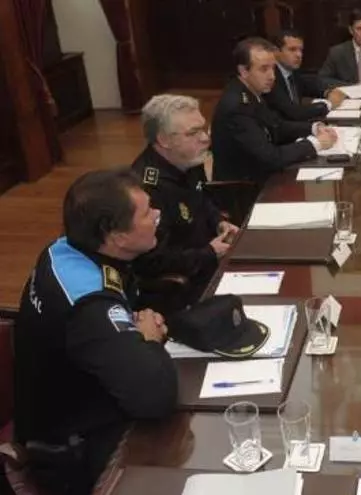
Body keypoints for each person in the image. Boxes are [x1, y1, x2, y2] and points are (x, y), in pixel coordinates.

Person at [13, 170, 178, 494]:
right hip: (73, 446)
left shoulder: (65, 249)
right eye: (147, 213)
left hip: (75, 395)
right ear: (115, 235)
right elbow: (154, 398)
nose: (158, 215)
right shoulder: (89, 304)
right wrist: (148, 339)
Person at [131, 94, 239, 315]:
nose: (205, 138)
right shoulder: (146, 190)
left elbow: (202, 199)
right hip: (187, 285)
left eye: (203, 129)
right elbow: (152, 260)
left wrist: (218, 222)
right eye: (193, 133)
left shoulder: (188, 160)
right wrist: (209, 253)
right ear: (164, 140)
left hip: (212, 259)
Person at [211, 37, 338, 183]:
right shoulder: (238, 106)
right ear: (244, 71)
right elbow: (270, 157)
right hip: (245, 187)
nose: (272, 76)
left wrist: (313, 128)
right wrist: (316, 144)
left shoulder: (251, 91)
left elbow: (276, 126)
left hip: (261, 175)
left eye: (273, 68)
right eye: (264, 69)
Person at [266, 29, 347, 121]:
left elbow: (308, 86)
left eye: (301, 50)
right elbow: (293, 112)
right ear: (276, 51)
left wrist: (328, 92)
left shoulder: (293, 71)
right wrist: (329, 104)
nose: (299, 55)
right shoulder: (270, 76)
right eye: (292, 50)